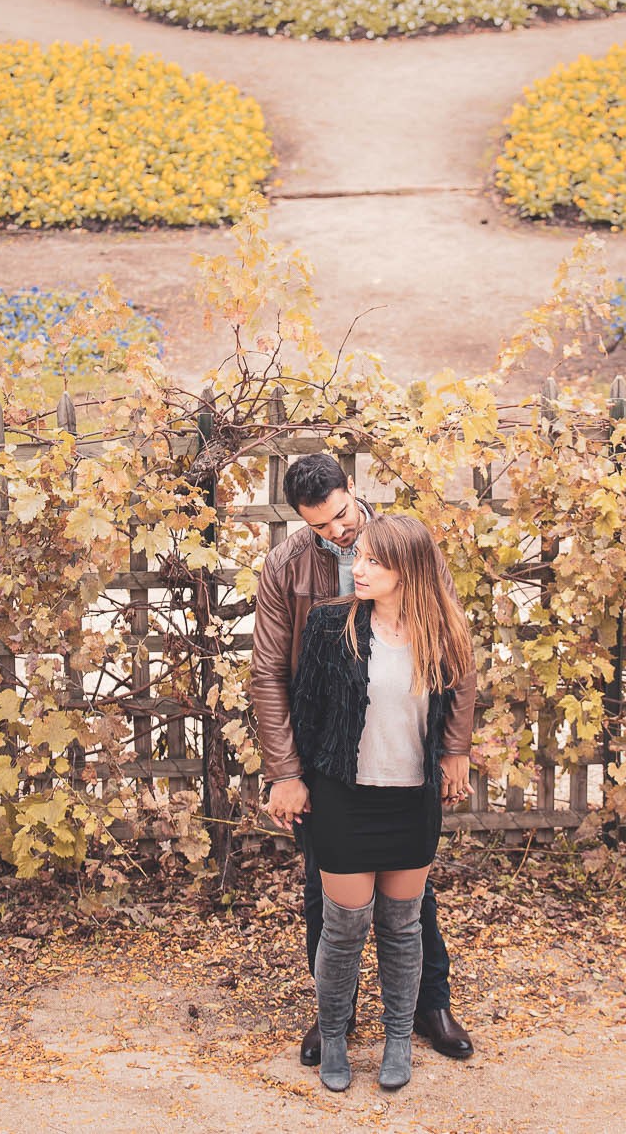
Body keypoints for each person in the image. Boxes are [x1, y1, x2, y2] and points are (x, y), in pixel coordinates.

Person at [249, 454, 477, 1073]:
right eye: (319, 526)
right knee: (326, 897)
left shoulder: (402, 542)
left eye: (341, 517)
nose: (338, 534)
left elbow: (451, 649)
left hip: (404, 751)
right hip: (329, 754)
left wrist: (455, 747)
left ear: (353, 491)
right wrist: (286, 771)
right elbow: (270, 672)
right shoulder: (287, 564)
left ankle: (429, 1007)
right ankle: (336, 1021)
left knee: (411, 901)